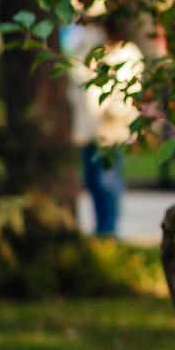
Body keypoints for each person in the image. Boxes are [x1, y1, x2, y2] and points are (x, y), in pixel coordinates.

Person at [66, 13, 144, 237]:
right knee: (92, 180)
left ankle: (108, 229)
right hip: (88, 128)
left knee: (107, 180)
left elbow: (130, 93)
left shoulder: (128, 55)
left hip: (112, 130)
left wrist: (116, 110)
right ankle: (102, 227)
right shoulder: (90, 51)